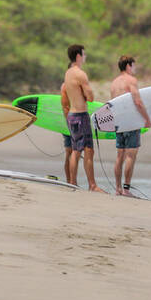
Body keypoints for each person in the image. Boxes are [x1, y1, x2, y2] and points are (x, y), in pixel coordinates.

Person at [63, 44, 106, 193]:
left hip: (71, 116)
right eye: (84, 54)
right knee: (88, 150)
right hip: (81, 115)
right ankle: (92, 185)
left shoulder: (68, 73)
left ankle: (73, 183)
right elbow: (91, 97)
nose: (85, 57)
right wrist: (87, 93)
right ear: (78, 56)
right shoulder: (80, 74)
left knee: (75, 150)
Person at [109, 55, 151, 197]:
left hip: (119, 122)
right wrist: (147, 119)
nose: (135, 68)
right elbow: (138, 102)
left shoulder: (114, 83)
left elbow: (112, 104)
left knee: (119, 156)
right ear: (128, 66)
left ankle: (117, 189)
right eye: (134, 65)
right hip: (131, 122)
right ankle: (126, 189)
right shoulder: (131, 80)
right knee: (130, 156)